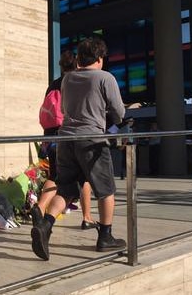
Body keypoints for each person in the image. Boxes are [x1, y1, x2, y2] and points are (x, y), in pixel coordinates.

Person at [30, 37, 126, 261]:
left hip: (66, 140)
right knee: (106, 189)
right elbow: (119, 113)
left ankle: (46, 226)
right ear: (100, 58)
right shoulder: (105, 78)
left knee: (66, 189)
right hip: (92, 139)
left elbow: (64, 109)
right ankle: (105, 236)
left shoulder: (67, 79)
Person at [32, 50, 96, 230]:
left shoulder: (53, 85)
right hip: (69, 135)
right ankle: (87, 217)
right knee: (83, 177)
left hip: (51, 135)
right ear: (77, 64)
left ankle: (40, 206)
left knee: (54, 175)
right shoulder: (77, 82)